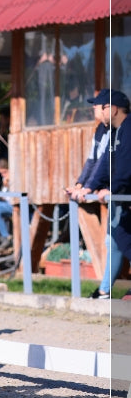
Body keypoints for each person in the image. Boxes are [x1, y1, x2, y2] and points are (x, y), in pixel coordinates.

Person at [74, 89, 131, 299]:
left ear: (112, 109)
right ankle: (105, 291)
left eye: (98, 106)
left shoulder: (128, 128)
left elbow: (126, 166)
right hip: (122, 194)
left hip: (124, 194)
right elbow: (105, 163)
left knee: (121, 239)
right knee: (117, 240)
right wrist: (88, 186)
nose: (94, 109)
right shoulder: (114, 131)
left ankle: (105, 291)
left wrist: (113, 188)